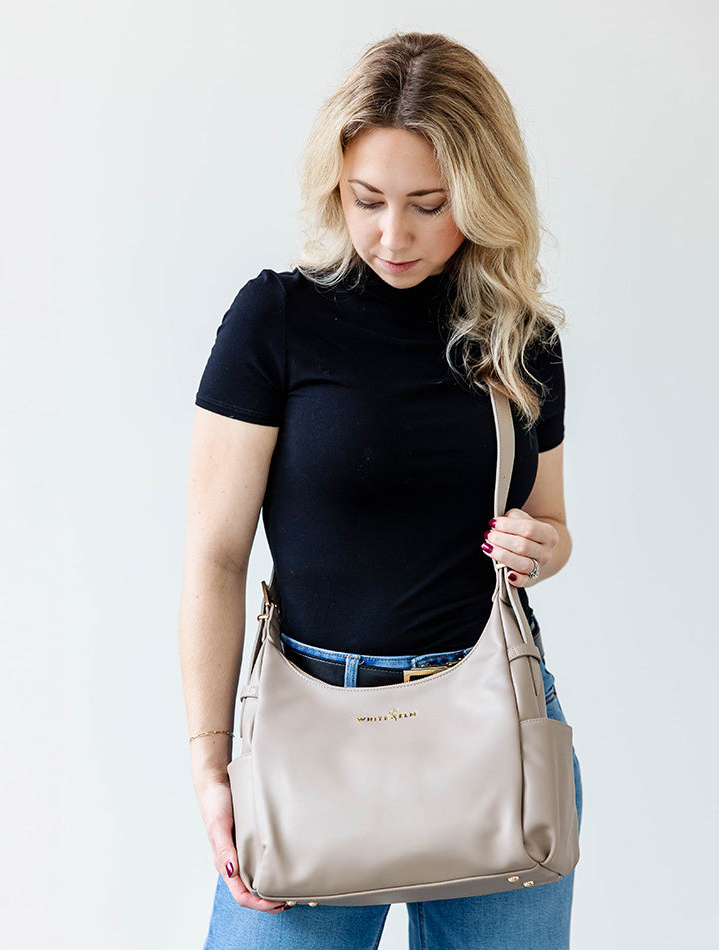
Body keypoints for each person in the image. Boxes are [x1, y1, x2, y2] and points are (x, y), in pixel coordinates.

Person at [179, 30, 583, 950]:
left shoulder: (522, 340)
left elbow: (553, 524)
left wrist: (543, 547)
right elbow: (215, 555)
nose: (393, 235)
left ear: (481, 196)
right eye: (367, 200)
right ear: (336, 186)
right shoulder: (277, 319)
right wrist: (211, 762)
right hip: (309, 738)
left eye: (429, 206)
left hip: (494, 737)